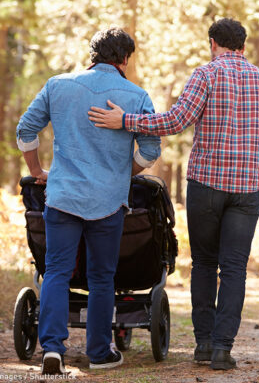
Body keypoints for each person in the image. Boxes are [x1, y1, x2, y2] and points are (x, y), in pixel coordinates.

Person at [88, 18, 259, 370]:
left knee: (204, 264)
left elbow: (176, 120)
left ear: (214, 43)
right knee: (234, 269)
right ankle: (223, 350)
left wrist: (126, 121)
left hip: (206, 186)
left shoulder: (206, 75)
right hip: (247, 190)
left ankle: (204, 345)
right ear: (243, 45)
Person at [16, 28, 161, 374]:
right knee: (101, 278)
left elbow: (25, 130)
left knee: (55, 272)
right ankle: (99, 353)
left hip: (63, 196)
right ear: (124, 59)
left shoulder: (57, 85)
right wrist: (121, 176)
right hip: (108, 202)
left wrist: (38, 170)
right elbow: (151, 151)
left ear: (92, 54)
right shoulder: (137, 95)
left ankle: (52, 349)